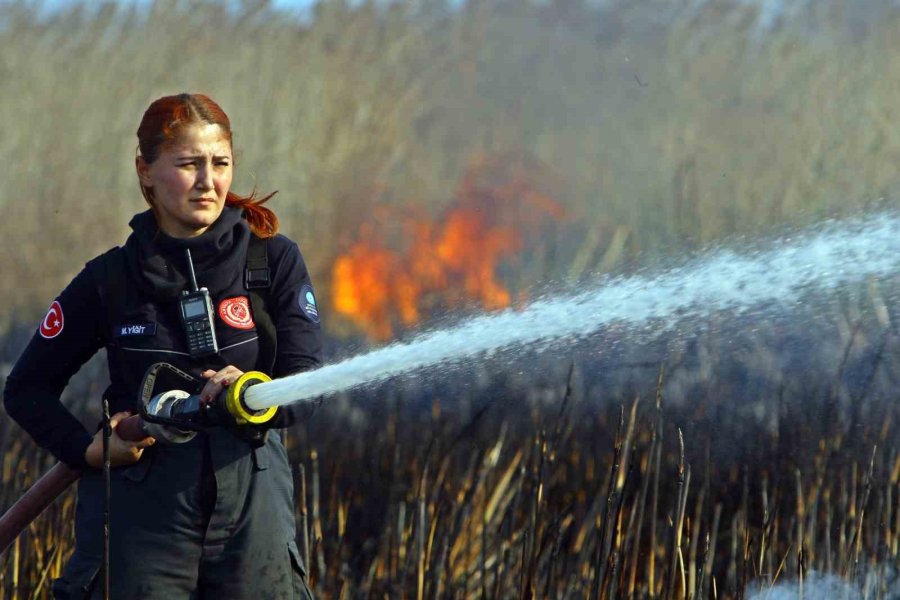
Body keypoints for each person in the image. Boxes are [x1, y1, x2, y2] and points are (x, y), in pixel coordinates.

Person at [3, 93, 321, 599]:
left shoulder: (272, 263)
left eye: (220, 164)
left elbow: (309, 384)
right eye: (188, 164)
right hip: (140, 515)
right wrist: (87, 450)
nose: (208, 181)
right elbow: (25, 389)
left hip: (251, 509)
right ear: (145, 171)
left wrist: (254, 391)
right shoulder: (109, 279)